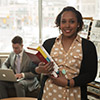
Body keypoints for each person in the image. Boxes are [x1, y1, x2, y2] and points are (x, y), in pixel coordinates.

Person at [30, 6, 98, 100]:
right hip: (49, 95)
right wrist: (39, 69)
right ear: (59, 24)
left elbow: (90, 74)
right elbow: (32, 66)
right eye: (63, 21)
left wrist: (68, 83)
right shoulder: (49, 44)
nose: (67, 25)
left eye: (72, 21)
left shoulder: (88, 46)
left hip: (75, 96)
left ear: (78, 24)